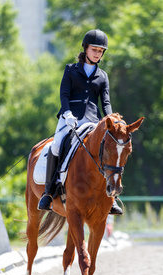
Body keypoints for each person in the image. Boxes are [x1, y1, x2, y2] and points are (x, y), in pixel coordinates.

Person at [38, 29, 123, 215]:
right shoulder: (70, 70)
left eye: (101, 51)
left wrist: (111, 122)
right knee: (57, 146)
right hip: (69, 118)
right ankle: (48, 192)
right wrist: (67, 113)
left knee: (107, 150)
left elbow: (106, 102)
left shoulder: (103, 76)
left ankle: (112, 197)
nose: (97, 53)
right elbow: (64, 94)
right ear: (85, 48)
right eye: (94, 49)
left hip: (93, 120)